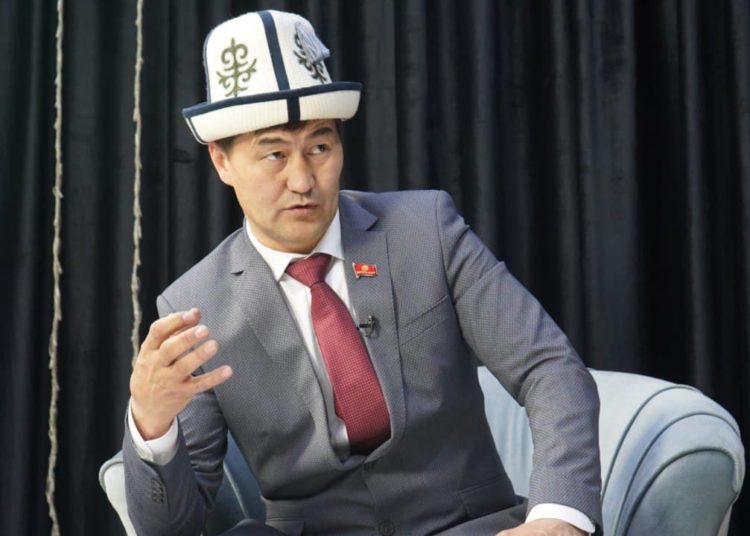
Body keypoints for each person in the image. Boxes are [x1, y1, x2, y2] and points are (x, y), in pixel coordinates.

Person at [123, 10, 602, 536]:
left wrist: (558, 515)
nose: (303, 180)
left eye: (320, 147)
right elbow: (172, 528)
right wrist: (153, 422)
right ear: (222, 162)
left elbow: (548, 367)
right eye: (274, 155)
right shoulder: (196, 306)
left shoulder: (427, 231)